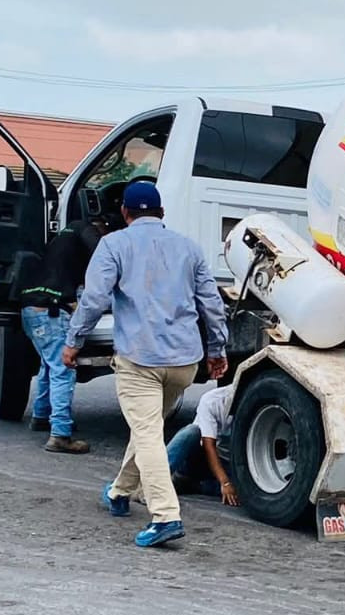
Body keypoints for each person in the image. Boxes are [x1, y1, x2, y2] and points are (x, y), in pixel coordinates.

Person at [62, 181, 229, 548]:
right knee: (148, 427)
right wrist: (218, 349)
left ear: (124, 213)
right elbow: (212, 305)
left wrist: (73, 342)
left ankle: (165, 516)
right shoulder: (189, 248)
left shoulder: (114, 245)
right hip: (185, 362)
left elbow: (93, 299)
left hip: (140, 359)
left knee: (148, 434)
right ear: (162, 213)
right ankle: (120, 492)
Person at [18, 216, 110, 454]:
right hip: (51, 311)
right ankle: (59, 434)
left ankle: (41, 415)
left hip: (30, 308)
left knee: (48, 365)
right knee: (63, 370)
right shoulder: (86, 230)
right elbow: (103, 254)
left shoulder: (61, 241)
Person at [167, 384, 239, 506]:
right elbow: (208, 445)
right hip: (201, 456)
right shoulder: (212, 400)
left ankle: (193, 485)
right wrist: (225, 482)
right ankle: (155, 481)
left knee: (247, 493)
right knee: (191, 432)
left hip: (227, 464)